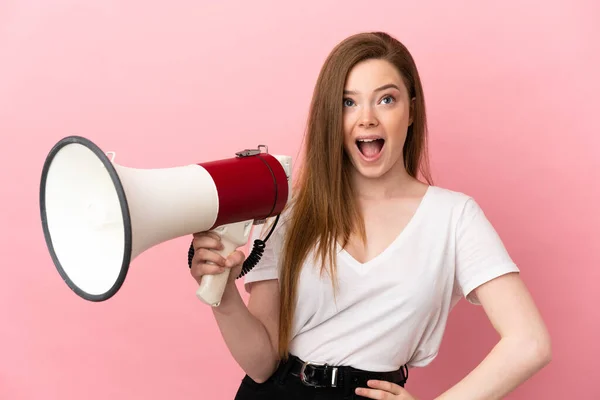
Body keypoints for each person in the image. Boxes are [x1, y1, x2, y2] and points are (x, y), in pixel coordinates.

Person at [189, 31, 552, 400]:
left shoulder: (455, 218)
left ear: (411, 110)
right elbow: (262, 363)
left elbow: (530, 342)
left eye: (386, 99)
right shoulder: (293, 212)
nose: (366, 119)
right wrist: (225, 294)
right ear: (331, 115)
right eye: (349, 102)